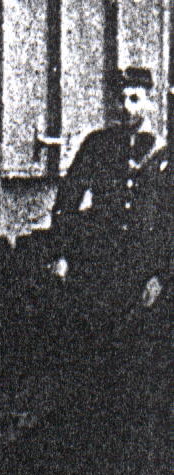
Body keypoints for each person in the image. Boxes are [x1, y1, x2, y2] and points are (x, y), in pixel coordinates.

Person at [45, 66, 169, 338]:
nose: (126, 107)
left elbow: (168, 221)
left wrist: (161, 276)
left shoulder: (163, 153)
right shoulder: (97, 145)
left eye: (134, 99)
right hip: (98, 265)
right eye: (121, 99)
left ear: (149, 101)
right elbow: (67, 202)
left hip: (142, 269)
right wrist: (61, 254)